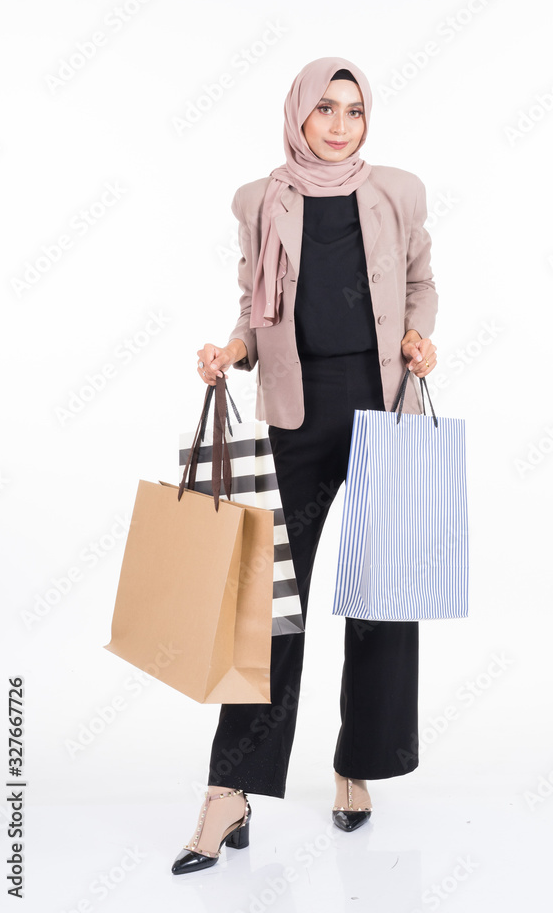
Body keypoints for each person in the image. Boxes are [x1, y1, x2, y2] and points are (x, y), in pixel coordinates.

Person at [171, 56, 438, 875]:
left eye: (353, 110)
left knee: (383, 599)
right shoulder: (260, 199)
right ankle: (230, 791)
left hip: (385, 407)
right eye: (324, 107)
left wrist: (419, 337)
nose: (338, 122)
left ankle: (356, 764)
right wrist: (233, 348)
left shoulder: (396, 190)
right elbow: (255, 301)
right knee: (269, 611)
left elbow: (422, 281)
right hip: (298, 413)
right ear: (298, 113)